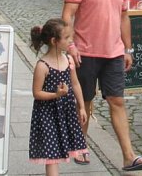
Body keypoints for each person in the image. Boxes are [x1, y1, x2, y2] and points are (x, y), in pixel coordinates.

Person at [62, 0, 142, 171]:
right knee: (85, 101)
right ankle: (80, 146)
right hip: (85, 52)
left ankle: (128, 156)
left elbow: (124, 17)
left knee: (118, 100)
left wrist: (128, 48)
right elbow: (68, 16)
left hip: (113, 53)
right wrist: (70, 46)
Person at [29, 18, 89, 174]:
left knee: (59, 150)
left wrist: (82, 107)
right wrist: (56, 94)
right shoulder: (42, 65)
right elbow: (36, 93)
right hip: (47, 114)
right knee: (52, 155)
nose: (71, 41)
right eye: (67, 38)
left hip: (65, 112)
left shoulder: (68, 59)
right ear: (54, 41)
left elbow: (75, 84)